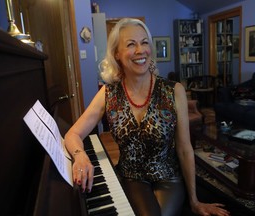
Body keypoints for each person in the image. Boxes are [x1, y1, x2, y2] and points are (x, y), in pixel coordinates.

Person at [64, 18, 230, 216]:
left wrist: (194, 201)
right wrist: (80, 155)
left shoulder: (174, 91)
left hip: (169, 178)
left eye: (144, 42)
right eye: (131, 44)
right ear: (117, 53)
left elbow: (185, 149)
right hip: (131, 176)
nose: (140, 50)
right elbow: (72, 133)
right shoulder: (108, 93)